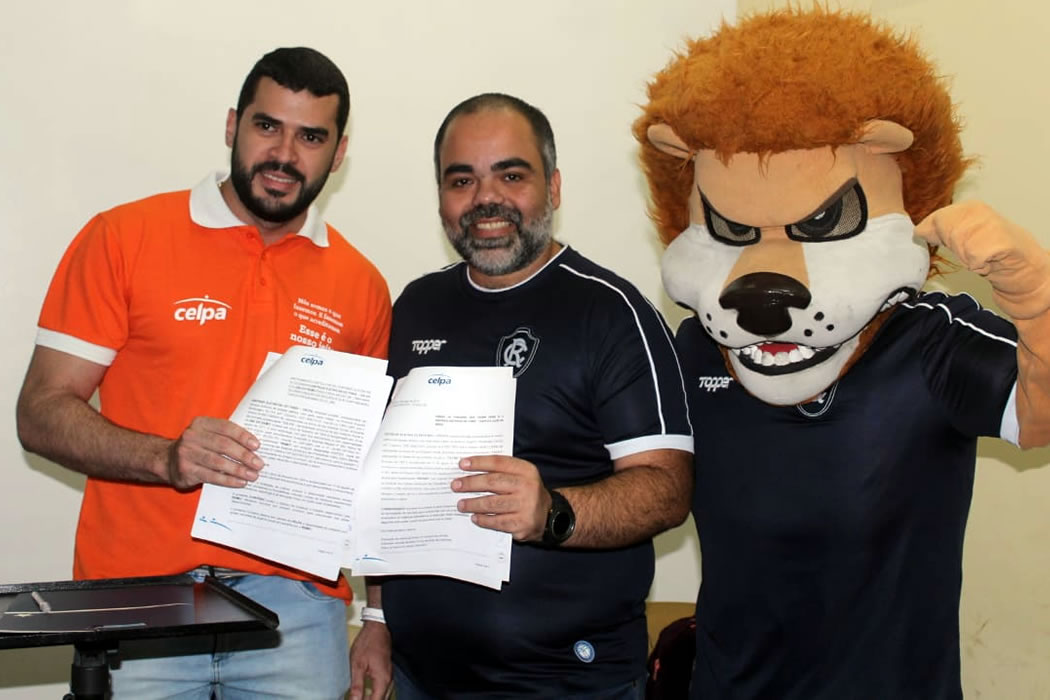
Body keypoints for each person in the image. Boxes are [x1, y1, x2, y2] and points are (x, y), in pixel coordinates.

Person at [634, 9, 1050, 698]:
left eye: (822, 222)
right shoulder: (697, 349)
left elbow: (1039, 417)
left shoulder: (932, 341)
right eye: (736, 229)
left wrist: (1037, 300)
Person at [16, 47, 391, 699]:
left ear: (339, 154)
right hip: (138, 603)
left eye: (310, 137)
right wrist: (166, 458)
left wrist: (379, 618)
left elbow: (370, 471)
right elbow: (41, 412)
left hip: (298, 614)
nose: (283, 155)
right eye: (267, 126)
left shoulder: (361, 286)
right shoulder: (123, 237)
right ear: (232, 125)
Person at [348, 93, 694, 699]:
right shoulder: (416, 305)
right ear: (440, 196)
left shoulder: (611, 313)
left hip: (568, 681)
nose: (486, 198)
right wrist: (376, 618)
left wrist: (551, 513)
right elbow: (389, 482)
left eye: (511, 175)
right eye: (462, 180)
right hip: (422, 674)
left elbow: (668, 490)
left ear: (553, 187)